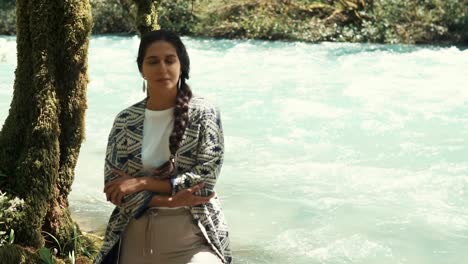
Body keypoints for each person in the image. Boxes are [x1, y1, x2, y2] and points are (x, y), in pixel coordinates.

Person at [94, 30, 232, 264]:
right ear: (142, 69)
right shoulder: (126, 120)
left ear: (182, 66)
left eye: (170, 60)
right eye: (153, 61)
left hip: (193, 234)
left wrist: (142, 183)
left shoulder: (203, 112)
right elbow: (115, 189)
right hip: (134, 234)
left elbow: (204, 183)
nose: (162, 68)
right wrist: (169, 200)